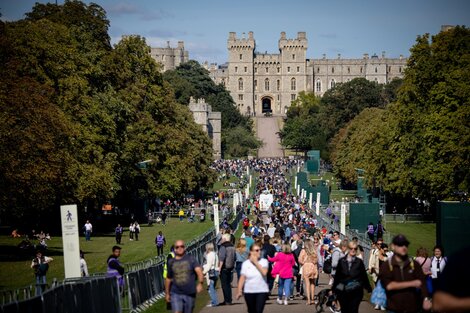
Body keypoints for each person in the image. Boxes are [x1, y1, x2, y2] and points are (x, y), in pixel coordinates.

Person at [379, 234, 431, 313]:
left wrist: (426, 299)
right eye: (400, 245)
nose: (403, 247)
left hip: (412, 308)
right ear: (393, 246)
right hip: (394, 308)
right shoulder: (386, 265)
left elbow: (422, 283)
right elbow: (389, 286)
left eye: (405, 244)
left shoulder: (414, 264)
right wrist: (412, 283)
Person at [165, 240, 204, 313]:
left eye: (182, 246)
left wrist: (200, 283)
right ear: (175, 249)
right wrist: (167, 293)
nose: (180, 248)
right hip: (175, 292)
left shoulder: (191, 259)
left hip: (189, 292)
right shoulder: (171, 262)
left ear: (184, 248)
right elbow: (168, 278)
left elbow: (199, 271)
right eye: (177, 247)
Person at [333, 241, 372, 313]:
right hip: (343, 290)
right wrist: (334, 289)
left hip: (356, 290)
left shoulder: (359, 262)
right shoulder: (342, 261)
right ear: (348, 248)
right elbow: (337, 277)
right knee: (345, 310)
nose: (353, 250)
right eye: (351, 248)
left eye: (355, 248)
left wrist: (368, 288)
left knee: (354, 309)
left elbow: (363, 276)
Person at [432, 246, 470, 313]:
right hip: (434, 281)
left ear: (441, 252)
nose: (437, 253)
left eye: (438, 251)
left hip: (444, 282)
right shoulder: (431, 260)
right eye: (435, 251)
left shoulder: (446, 260)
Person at [236, 243, 269, 313]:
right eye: (256, 250)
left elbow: (264, 272)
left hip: (261, 290)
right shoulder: (246, 263)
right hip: (249, 291)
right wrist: (239, 291)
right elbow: (242, 278)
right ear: (251, 252)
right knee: (251, 310)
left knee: (259, 310)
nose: (259, 252)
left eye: (260, 250)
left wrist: (256, 262)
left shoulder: (264, 261)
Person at [299, 239, 318, 305]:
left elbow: (300, 260)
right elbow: (316, 260)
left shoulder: (303, 250)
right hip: (313, 267)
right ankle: (312, 299)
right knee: (313, 283)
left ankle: (309, 300)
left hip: (306, 266)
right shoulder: (314, 250)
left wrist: (303, 262)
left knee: (307, 284)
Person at [218, 233, 236, 305]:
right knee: (228, 284)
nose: (221, 240)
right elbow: (234, 257)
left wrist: (219, 268)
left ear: (224, 239)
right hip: (230, 267)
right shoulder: (232, 246)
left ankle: (227, 300)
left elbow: (222, 258)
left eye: (222, 239)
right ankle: (229, 299)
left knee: (224, 285)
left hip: (224, 267)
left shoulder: (223, 246)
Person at [202, 243, 219, 307]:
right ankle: (214, 301)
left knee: (211, 288)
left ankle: (214, 302)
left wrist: (203, 272)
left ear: (207, 248)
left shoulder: (209, 255)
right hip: (216, 271)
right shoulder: (215, 254)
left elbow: (209, 265)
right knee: (212, 287)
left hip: (212, 272)